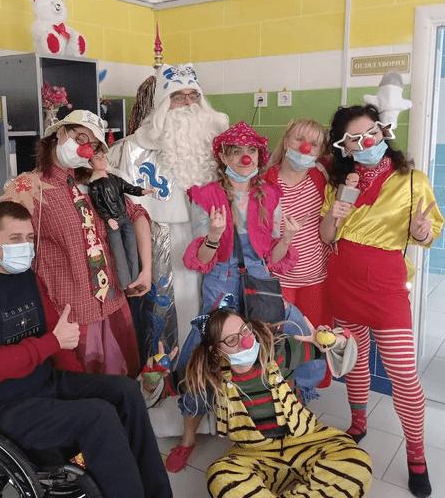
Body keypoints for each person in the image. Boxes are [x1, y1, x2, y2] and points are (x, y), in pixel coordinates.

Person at [0, 201, 173, 498]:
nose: (25, 246)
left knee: (126, 392)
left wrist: (79, 388)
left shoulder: (27, 277)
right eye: (15, 239)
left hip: (46, 383)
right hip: (6, 405)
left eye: (30, 238)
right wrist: (53, 343)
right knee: (97, 415)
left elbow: (54, 334)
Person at [0, 110, 152, 377]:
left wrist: (146, 270)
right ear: (61, 133)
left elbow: (138, 215)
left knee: (122, 386)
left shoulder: (96, 180)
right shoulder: (29, 186)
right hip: (69, 314)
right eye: (81, 137)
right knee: (82, 391)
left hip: (112, 305)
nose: (87, 148)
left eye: (95, 145)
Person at [319, 104, 445, 498]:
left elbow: (427, 234)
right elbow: (326, 236)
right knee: (353, 363)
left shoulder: (413, 181)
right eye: (355, 138)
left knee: (404, 378)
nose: (366, 141)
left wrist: (422, 231)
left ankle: (417, 455)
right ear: (345, 147)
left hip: (387, 288)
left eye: (371, 132)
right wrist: (336, 211)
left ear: (383, 131)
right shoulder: (338, 182)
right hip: (343, 281)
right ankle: (358, 423)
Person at [165, 121, 302, 472]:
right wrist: (213, 234)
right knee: (204, 356)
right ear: (223, 156)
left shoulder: (271, 195)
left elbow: (273, 257)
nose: (245, 157)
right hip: (220, 281)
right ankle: (187, 440)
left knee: (270, 354)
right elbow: (200, 259)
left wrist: (286, 239)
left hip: (258, 282)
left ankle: (276, 433)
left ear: (259, 155)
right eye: (237, 151)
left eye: (251, 151)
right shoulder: (205, 195)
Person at [107, 63, 229, 362]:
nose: (188, 104)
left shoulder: (218, 145)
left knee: (208, 305)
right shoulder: (131, 149)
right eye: (178, 97)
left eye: (193, 96)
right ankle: (163, 378)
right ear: (163, 103)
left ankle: (205, 370)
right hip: (158, 239)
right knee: (162, 312)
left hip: (209, 235)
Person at [183, 308, 372, 498]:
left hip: (305, 438)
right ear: (215, 350)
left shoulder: (281, 350)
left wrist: (336, 339)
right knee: (219, 476)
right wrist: (153, 380)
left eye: (245, 330)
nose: (245, 342)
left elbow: (348, 345)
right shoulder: (208, 372)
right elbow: (166, 387)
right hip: (252, 452)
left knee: (358, 462)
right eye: (231, 340)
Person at [264, 118, 334, 392]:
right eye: (298, 139)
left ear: (319, 151)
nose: (304, 147)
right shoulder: (265, 181)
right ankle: (279, 398)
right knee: (282, 344)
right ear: (286, 141)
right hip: (280, 279)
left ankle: (305, 397)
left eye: (313, 144)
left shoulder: (321, 176)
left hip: (316, 277)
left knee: (316, 342)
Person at [88, 150, 154, 289]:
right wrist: (108, 219)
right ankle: (125, 284)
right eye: (97, 158)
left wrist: (142, 191)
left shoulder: (115, 179)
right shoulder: (95, 185)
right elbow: (98, 205)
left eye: (103, 157)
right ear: (90, 163)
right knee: (119, 252)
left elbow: (128, 188)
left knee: (131, 248)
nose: (101, 160)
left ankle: (136, 280)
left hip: (124, 218)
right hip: (113, 221)